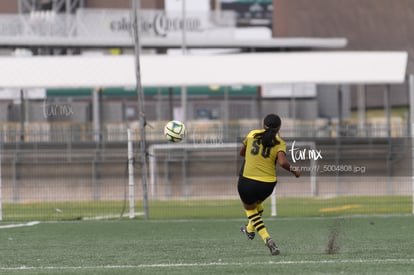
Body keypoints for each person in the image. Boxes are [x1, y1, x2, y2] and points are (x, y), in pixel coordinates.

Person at [237, 113, 300, 255]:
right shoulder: (280, 142)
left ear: (262, 124)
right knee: (258, 206)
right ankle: (249, 229)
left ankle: (267, 239)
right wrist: (294, 170)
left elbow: (242, 153)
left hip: (247, 180)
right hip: (267, 184)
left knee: (249, 209)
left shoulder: (252, 134)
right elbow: (283, 162)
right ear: (279, 128)